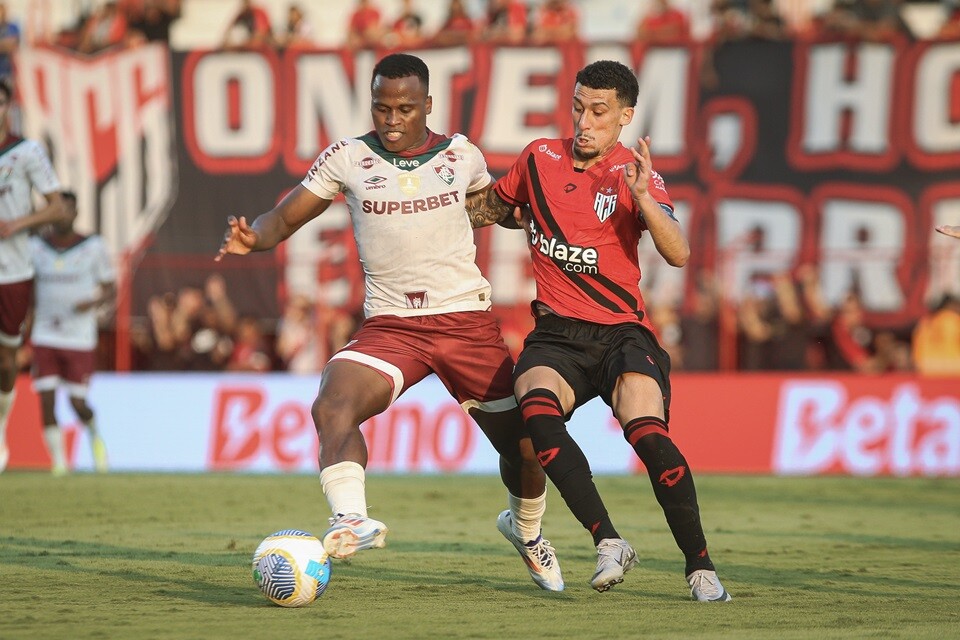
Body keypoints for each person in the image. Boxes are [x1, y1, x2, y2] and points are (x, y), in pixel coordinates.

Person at [216, 53, 563, 591]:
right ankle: (350, 518)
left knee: (524, 448)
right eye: (382, 107)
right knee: (332, 403)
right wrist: (254, 236)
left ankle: (526, 530)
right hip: (392, 326)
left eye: (405, 108)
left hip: (465, 322)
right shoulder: (349, 157)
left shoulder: (461, 155)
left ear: (428, 105)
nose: (392, 119)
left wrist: (522, 215)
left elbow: (485, 208)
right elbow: (285, 217)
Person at [464, 60, 732, 601]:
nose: (585, 121)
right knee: (535, 412)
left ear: (625, 117)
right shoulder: (539, 158)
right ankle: (608, 540)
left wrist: (646, 202)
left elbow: (678, 253)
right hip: (557, 333)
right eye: (579, 107)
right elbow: (485, 208)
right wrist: (429, 193)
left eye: (600, 112)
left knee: (648, 436)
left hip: (621, 334)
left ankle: (699, 566)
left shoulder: (634, 174)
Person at [0, 78, 67, 473]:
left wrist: (18, 223)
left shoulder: (26, 152)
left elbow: (58, 208)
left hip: (13, 271)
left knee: (7, 362)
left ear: (9, 107)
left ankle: (1, 430)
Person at [28, 191, 115, 475]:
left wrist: (92, 301)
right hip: (45, 334)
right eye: (57, 209)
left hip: (79, 337)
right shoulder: (36, 247)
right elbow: (24, 286)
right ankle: (59, 464)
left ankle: (94, 433)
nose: (62, 215)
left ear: (76, 213)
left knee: (77, 403)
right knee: (47, 399)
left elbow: (110, 287)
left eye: (67, 210)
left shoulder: (93, 246)